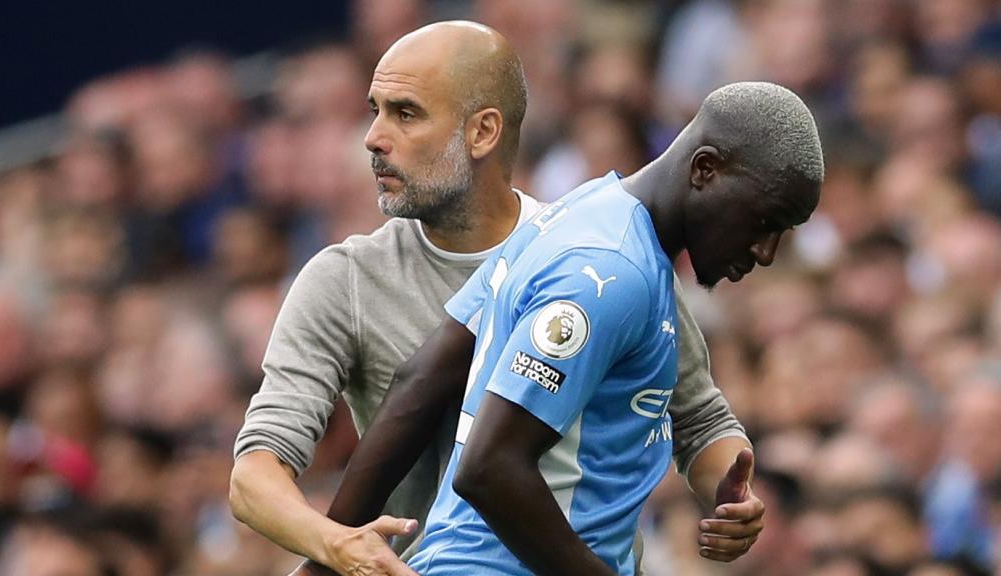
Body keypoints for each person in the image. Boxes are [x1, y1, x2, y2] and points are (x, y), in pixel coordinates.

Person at [229, 21, 761, 576]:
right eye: (375, 110)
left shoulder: (600, 255)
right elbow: (254, 478)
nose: (374, 137)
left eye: (405, 113)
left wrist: (733, 497)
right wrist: (335, 545)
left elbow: (698, 419)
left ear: (483, 132)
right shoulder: (345, 280)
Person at [323, 80, 822, 575]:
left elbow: (422, 380)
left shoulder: (577, 216)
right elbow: (489, 469)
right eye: (765, 221)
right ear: (705, 169)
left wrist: (325, 552)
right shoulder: (608, 275)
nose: (766, 251)